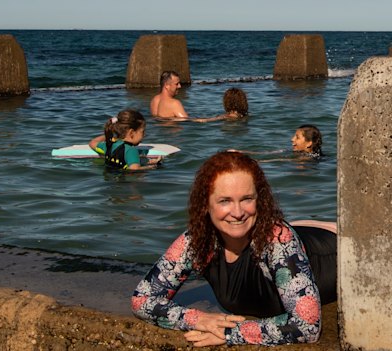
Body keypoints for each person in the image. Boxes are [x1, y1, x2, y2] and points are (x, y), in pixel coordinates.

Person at [131, 151, 337, 346]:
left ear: (260, 199)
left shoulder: (277, 241)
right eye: (224, 201)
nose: (237, 212)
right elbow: (142, 299)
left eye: (247, 199)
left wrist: (231, 333)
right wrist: (199, 319)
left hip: (332, 251)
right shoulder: (196, 241)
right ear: (205, 204)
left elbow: (308, 327)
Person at [89, 109, 163, 171]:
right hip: (124, 183)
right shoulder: (131, 150)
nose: (144, 135)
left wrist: (109, 135)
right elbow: (134, 169)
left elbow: (92, 143)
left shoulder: (109, 144)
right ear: (131, 132)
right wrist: (154, 166)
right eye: (142, 132)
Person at [230, 124, 323, 160]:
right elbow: (265, 153)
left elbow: (276, 160)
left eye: (297, 137)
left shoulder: (306, 159)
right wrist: (239, 152)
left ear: (309, 143)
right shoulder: (292, 153)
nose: (292, 139)